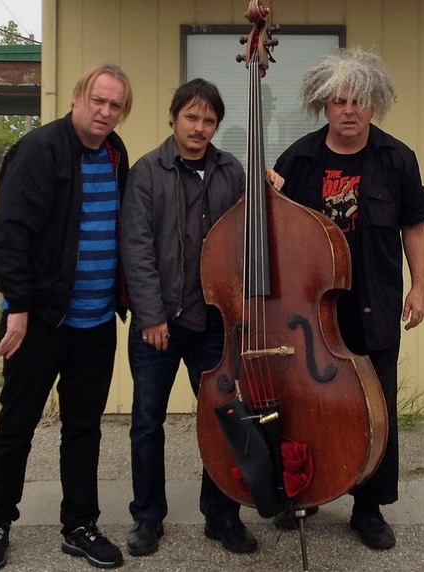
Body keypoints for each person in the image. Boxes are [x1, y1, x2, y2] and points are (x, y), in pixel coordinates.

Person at [272, 47, 424, 550]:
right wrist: (263, 188)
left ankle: (369, 509)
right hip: (308, 309)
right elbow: (270, 227)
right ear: (324, 104)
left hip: (375, 303)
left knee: (375, 407)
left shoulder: (397, 159)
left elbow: (415, 226)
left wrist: (421, 287)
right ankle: (308, 488)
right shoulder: (297, 159)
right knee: (306, 401)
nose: (349, 110)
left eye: (359, 101)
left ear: (374, 105)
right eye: (340, 100)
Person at [0, 63, 132, 571]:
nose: (105, 112)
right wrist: (16, 310)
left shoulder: (115, 152)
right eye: (98, 101)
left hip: (95, 324)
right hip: (38, 321)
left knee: (84, 428)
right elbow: (10, 237)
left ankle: (79, 524)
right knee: (17, 424)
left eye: (115, 105)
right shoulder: (39, 150)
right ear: (77, 97)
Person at [120, 78, 282, 558]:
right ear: (174, 117)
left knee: (222, 421)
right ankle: (148, 517)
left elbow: (255, 228)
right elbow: (137, 249)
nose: (200, 127)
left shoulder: (232, 170)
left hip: (216, 323)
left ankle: (222, 515)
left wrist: (267, 183)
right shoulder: (147, 172)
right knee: (147, 422)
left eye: (209, 120)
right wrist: (150, 315)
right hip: (161, 324)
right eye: (192, 117)